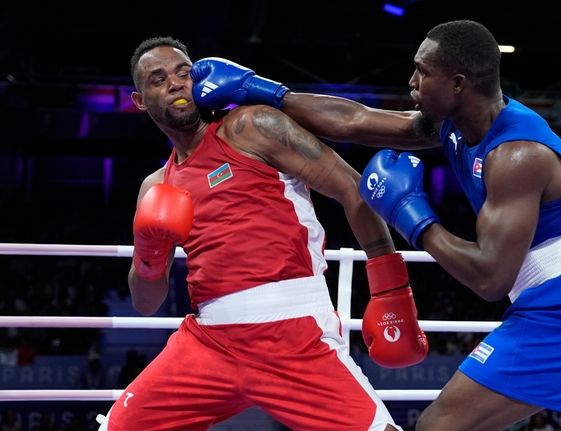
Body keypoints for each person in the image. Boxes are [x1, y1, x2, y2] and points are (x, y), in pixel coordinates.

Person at [190, 19, 561, 431]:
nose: (411, 82)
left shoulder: (517, 154)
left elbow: (489, 278)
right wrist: (264, 91)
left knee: (441, 425)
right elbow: (355, 121)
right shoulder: (458, 126)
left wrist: (411, 215)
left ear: (458, 83)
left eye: (422, 73)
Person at [95, 36, 430, 431]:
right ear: (139, 100)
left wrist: (389, 288)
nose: (175, 84)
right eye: (158, 79)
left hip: (292, 330)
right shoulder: (157, 187)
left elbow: (353, 191)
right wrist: (148, 254)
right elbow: (147, 302)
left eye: (184, 73)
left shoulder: (250, 127)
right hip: (209, 341)